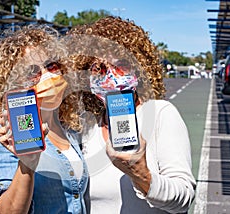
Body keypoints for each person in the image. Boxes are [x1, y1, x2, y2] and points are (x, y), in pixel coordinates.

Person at [61, 16, 196, 214]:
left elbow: (184, 197)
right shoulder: (86, 126)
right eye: (100, 68)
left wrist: (142, 174)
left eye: (121, 65)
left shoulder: (160, 114)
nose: (111, 77)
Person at [0, 25, 90, 214]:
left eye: (51, 65)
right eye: (32, 72)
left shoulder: (70, 127)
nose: (48, 76)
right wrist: (27, 165)